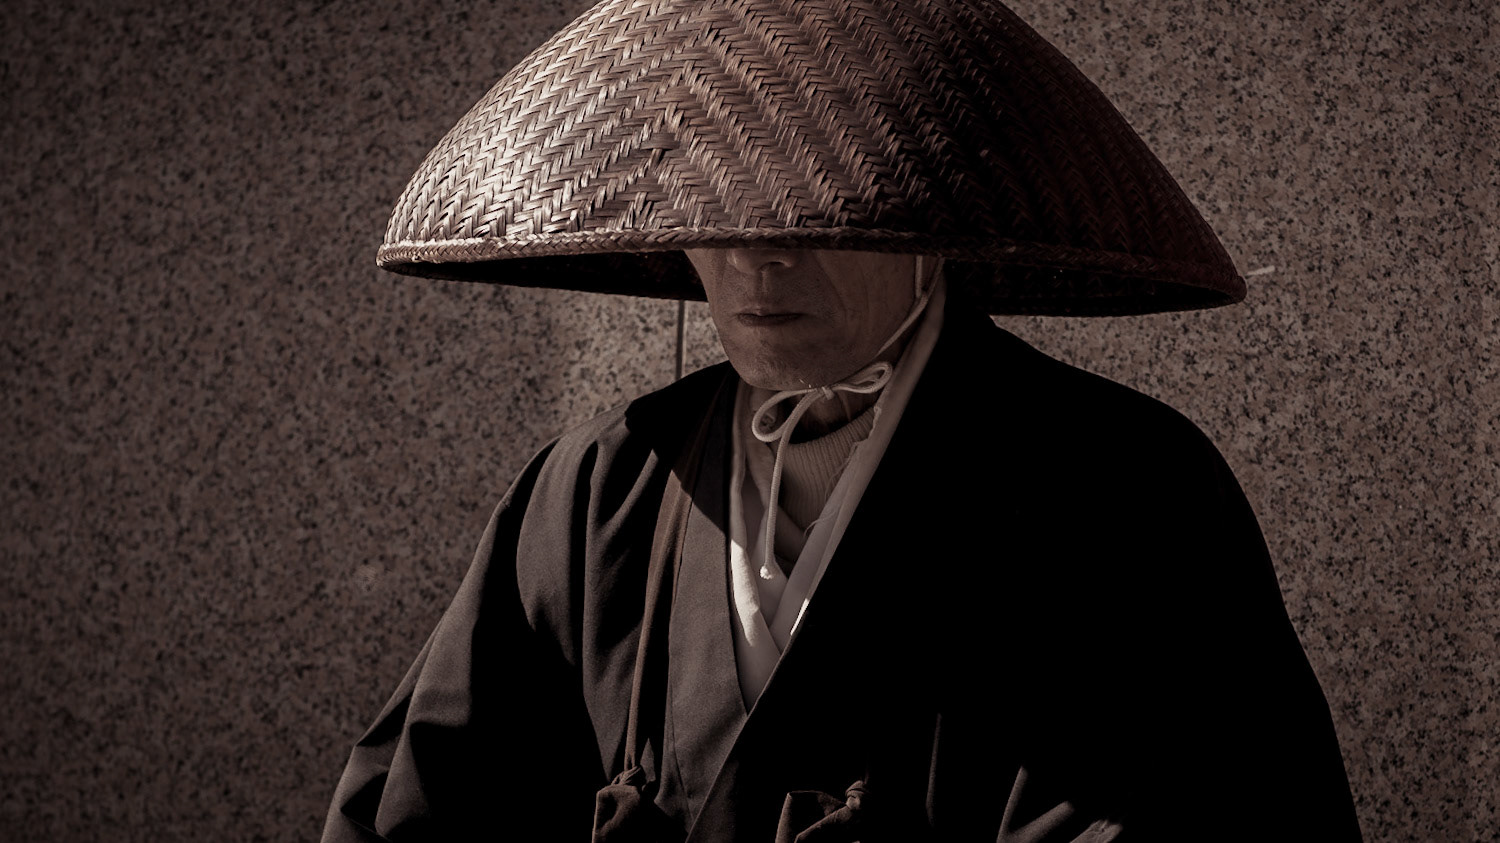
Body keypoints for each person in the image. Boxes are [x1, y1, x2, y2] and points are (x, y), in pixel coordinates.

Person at [322, 1, 1362, 840]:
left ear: (930, 216)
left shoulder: (1125, 489)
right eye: (711, 203)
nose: (758, 253)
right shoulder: (601, 489)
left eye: (812, 198)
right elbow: (423, 804)